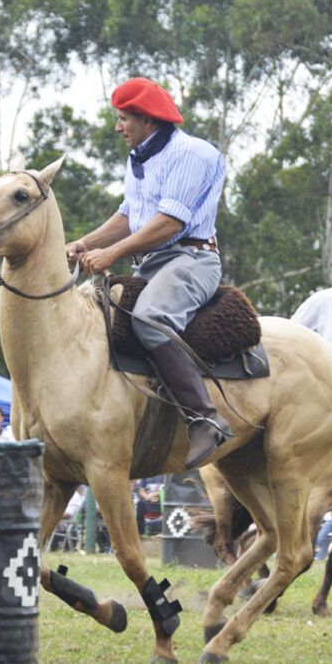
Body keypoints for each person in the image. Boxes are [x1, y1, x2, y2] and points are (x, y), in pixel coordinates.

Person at [66, 77, 228, 470]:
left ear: (147, 120)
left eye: (123, 119)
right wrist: (83, 244)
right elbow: (129, 216)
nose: (117, 127)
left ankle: (205, 417)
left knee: (150, 318)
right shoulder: (139, 157)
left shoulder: (193, 154)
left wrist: (110, 255)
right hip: (152, 266)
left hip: (190, 261)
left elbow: (170, 222)